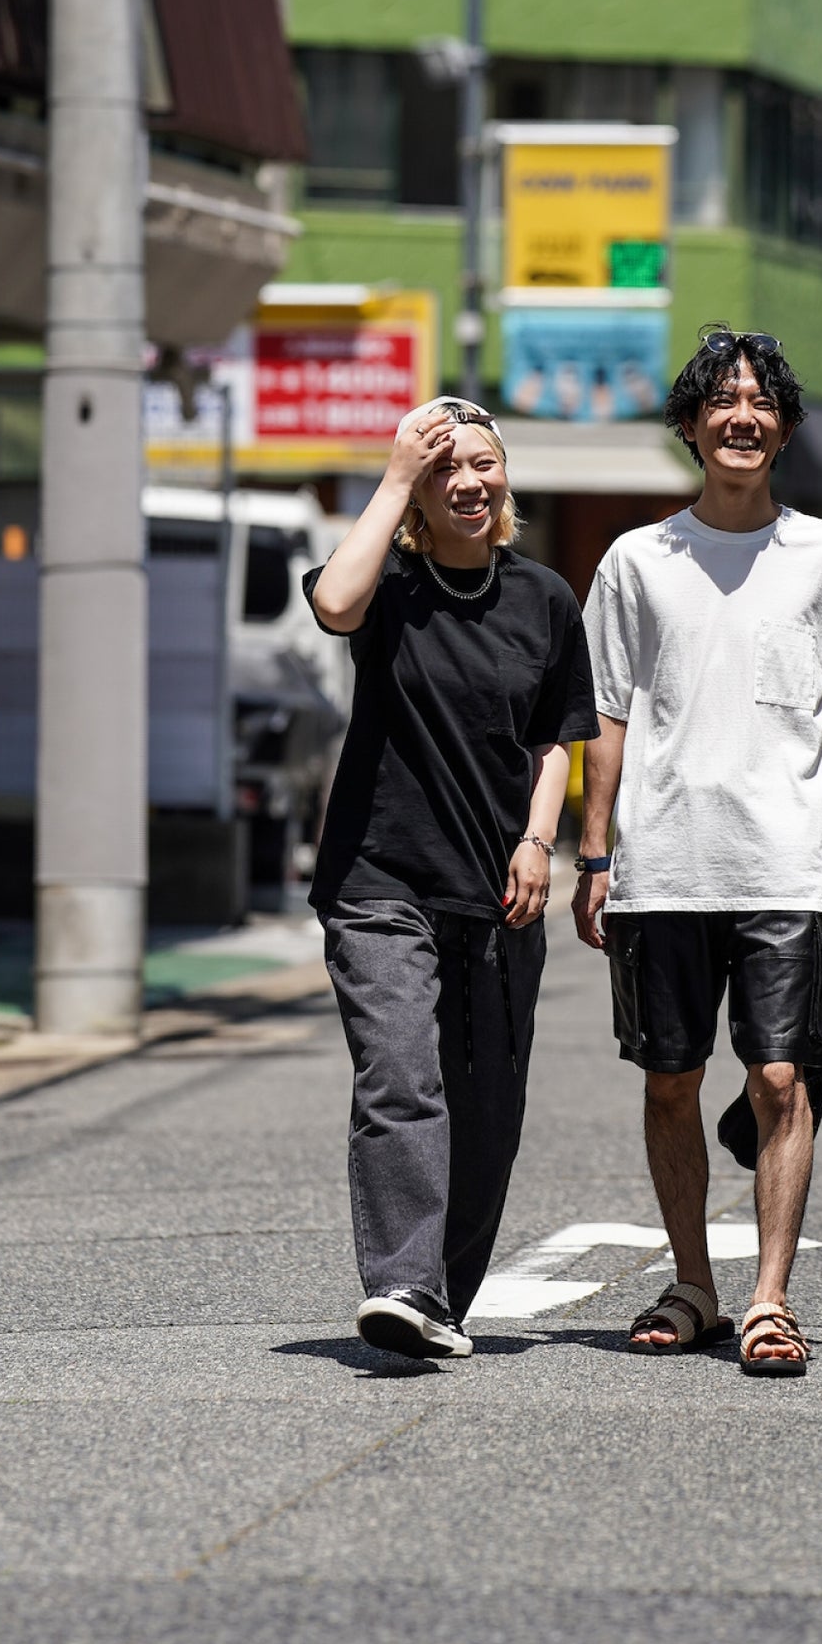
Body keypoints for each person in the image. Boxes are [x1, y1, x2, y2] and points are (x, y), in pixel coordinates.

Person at [572, 327, 822, 1377]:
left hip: (776, 864)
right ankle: (693, 1286)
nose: (741, 415)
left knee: (777, 1075)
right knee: (671, 1079)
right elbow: (608, 715)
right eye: (720, 400)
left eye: (760, 400)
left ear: (786, 429)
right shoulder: (636, 560)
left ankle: (767, 1298)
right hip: (661, 860)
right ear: (689, 426)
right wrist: (593, 851)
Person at [307, 397, 598, 1362]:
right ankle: (400, 1279)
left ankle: (441, 1296)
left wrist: (537, 840)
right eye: (442, 469)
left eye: (480, 463)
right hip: (378, 875)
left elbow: (557, 735)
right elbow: (332, 606)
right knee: (400, 1074)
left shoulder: (544, 599)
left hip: (498, 889)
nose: (466, 481)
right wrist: (392, 477)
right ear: (418, 495)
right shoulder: (386, 584)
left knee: (487, 1109)